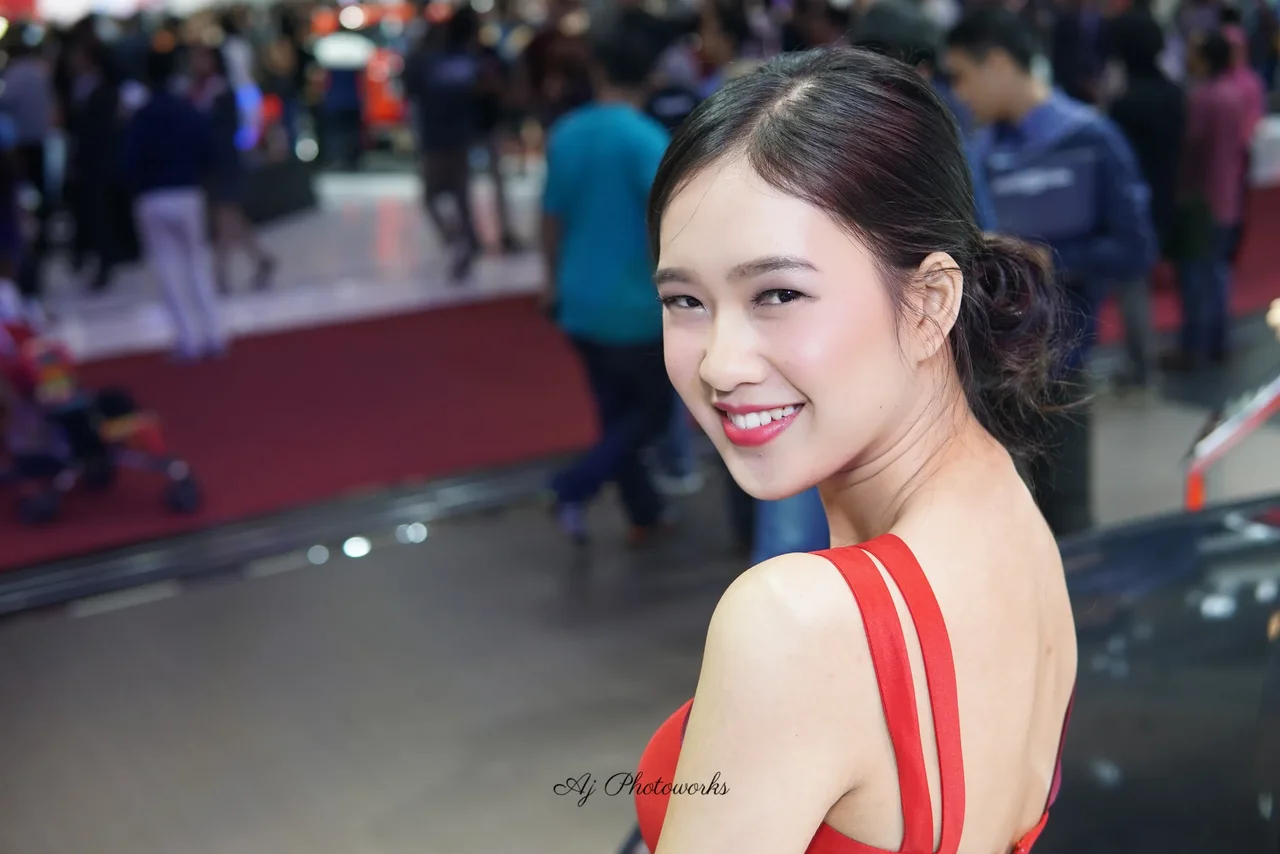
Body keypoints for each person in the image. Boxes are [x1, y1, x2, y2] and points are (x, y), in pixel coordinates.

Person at [636, 46, 1076, 854]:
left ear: (930, 301)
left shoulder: (796, 623)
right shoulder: (1009, 509)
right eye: (685, 300)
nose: (720, 365)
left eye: (778, 293)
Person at [946, 7, 1157, 537]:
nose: (961, 93)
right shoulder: (979, 152)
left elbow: (1135, 249)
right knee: (1002, 526)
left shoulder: (1090, 139)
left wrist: (1048, 260)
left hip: (1061, 368)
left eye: (963, 76)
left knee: (1068, 525)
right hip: (988, 375)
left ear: (998, 63)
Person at [541, 34, 675, 544]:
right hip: (635, 303)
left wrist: (550, 279)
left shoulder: (567, 133)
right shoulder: (646, 139)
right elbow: (662, 222)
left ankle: (644, 513)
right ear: (651, 78)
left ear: (599, 72)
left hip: (580, 297)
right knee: (652, 413)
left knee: (616, 415)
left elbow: (550, 217)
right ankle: (575, 485)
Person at [121, 49, 223, 362]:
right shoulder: (187, 110)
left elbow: (128, 162)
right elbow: (210, 150)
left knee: (167, 268)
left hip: (153, 196)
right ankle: (214, 334)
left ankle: (188, 339)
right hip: (187, 193)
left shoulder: (142, 116)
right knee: (197, 263)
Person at [1106, 9, 1185, 391]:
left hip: (1132, 203)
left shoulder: (1127, 102)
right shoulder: (1172, 91)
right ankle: (1144, 362)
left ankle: (1142, 366)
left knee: (1133, 287)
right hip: (1166, 193)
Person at [1165, 32, 1251, 370]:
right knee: (1217, 272)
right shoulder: (1234, 94)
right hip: (1228, 194)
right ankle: (1218, 340)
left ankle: (1194, 346)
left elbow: (1192, 148)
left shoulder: (1202, 99)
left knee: (1196, 275)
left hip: (1202, 200)